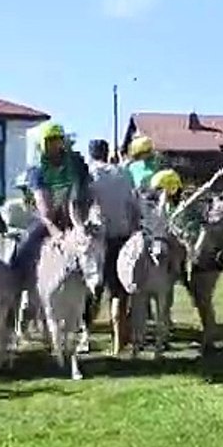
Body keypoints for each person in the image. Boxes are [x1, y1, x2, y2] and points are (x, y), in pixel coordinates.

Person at [9, 123, 92, 284]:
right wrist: (57, 234)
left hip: (72, 213)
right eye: (49, 141)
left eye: (57, 140)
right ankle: (18, 286)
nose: (54, 145)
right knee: (25, 248)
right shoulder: (37, 171)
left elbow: (82, 190)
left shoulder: (75, 163)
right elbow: (45, 213)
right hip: (44, 218)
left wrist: (80, 224)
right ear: (42, 144)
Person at [86, 139, 141, 348]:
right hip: (123, 237)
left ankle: (85, 336)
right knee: (119, 291)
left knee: (93, 290)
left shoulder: (90, 176)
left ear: (91, 154)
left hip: (99, 239)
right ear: (107, 152)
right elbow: (133, 206)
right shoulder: (123, 174)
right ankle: (119, 341)